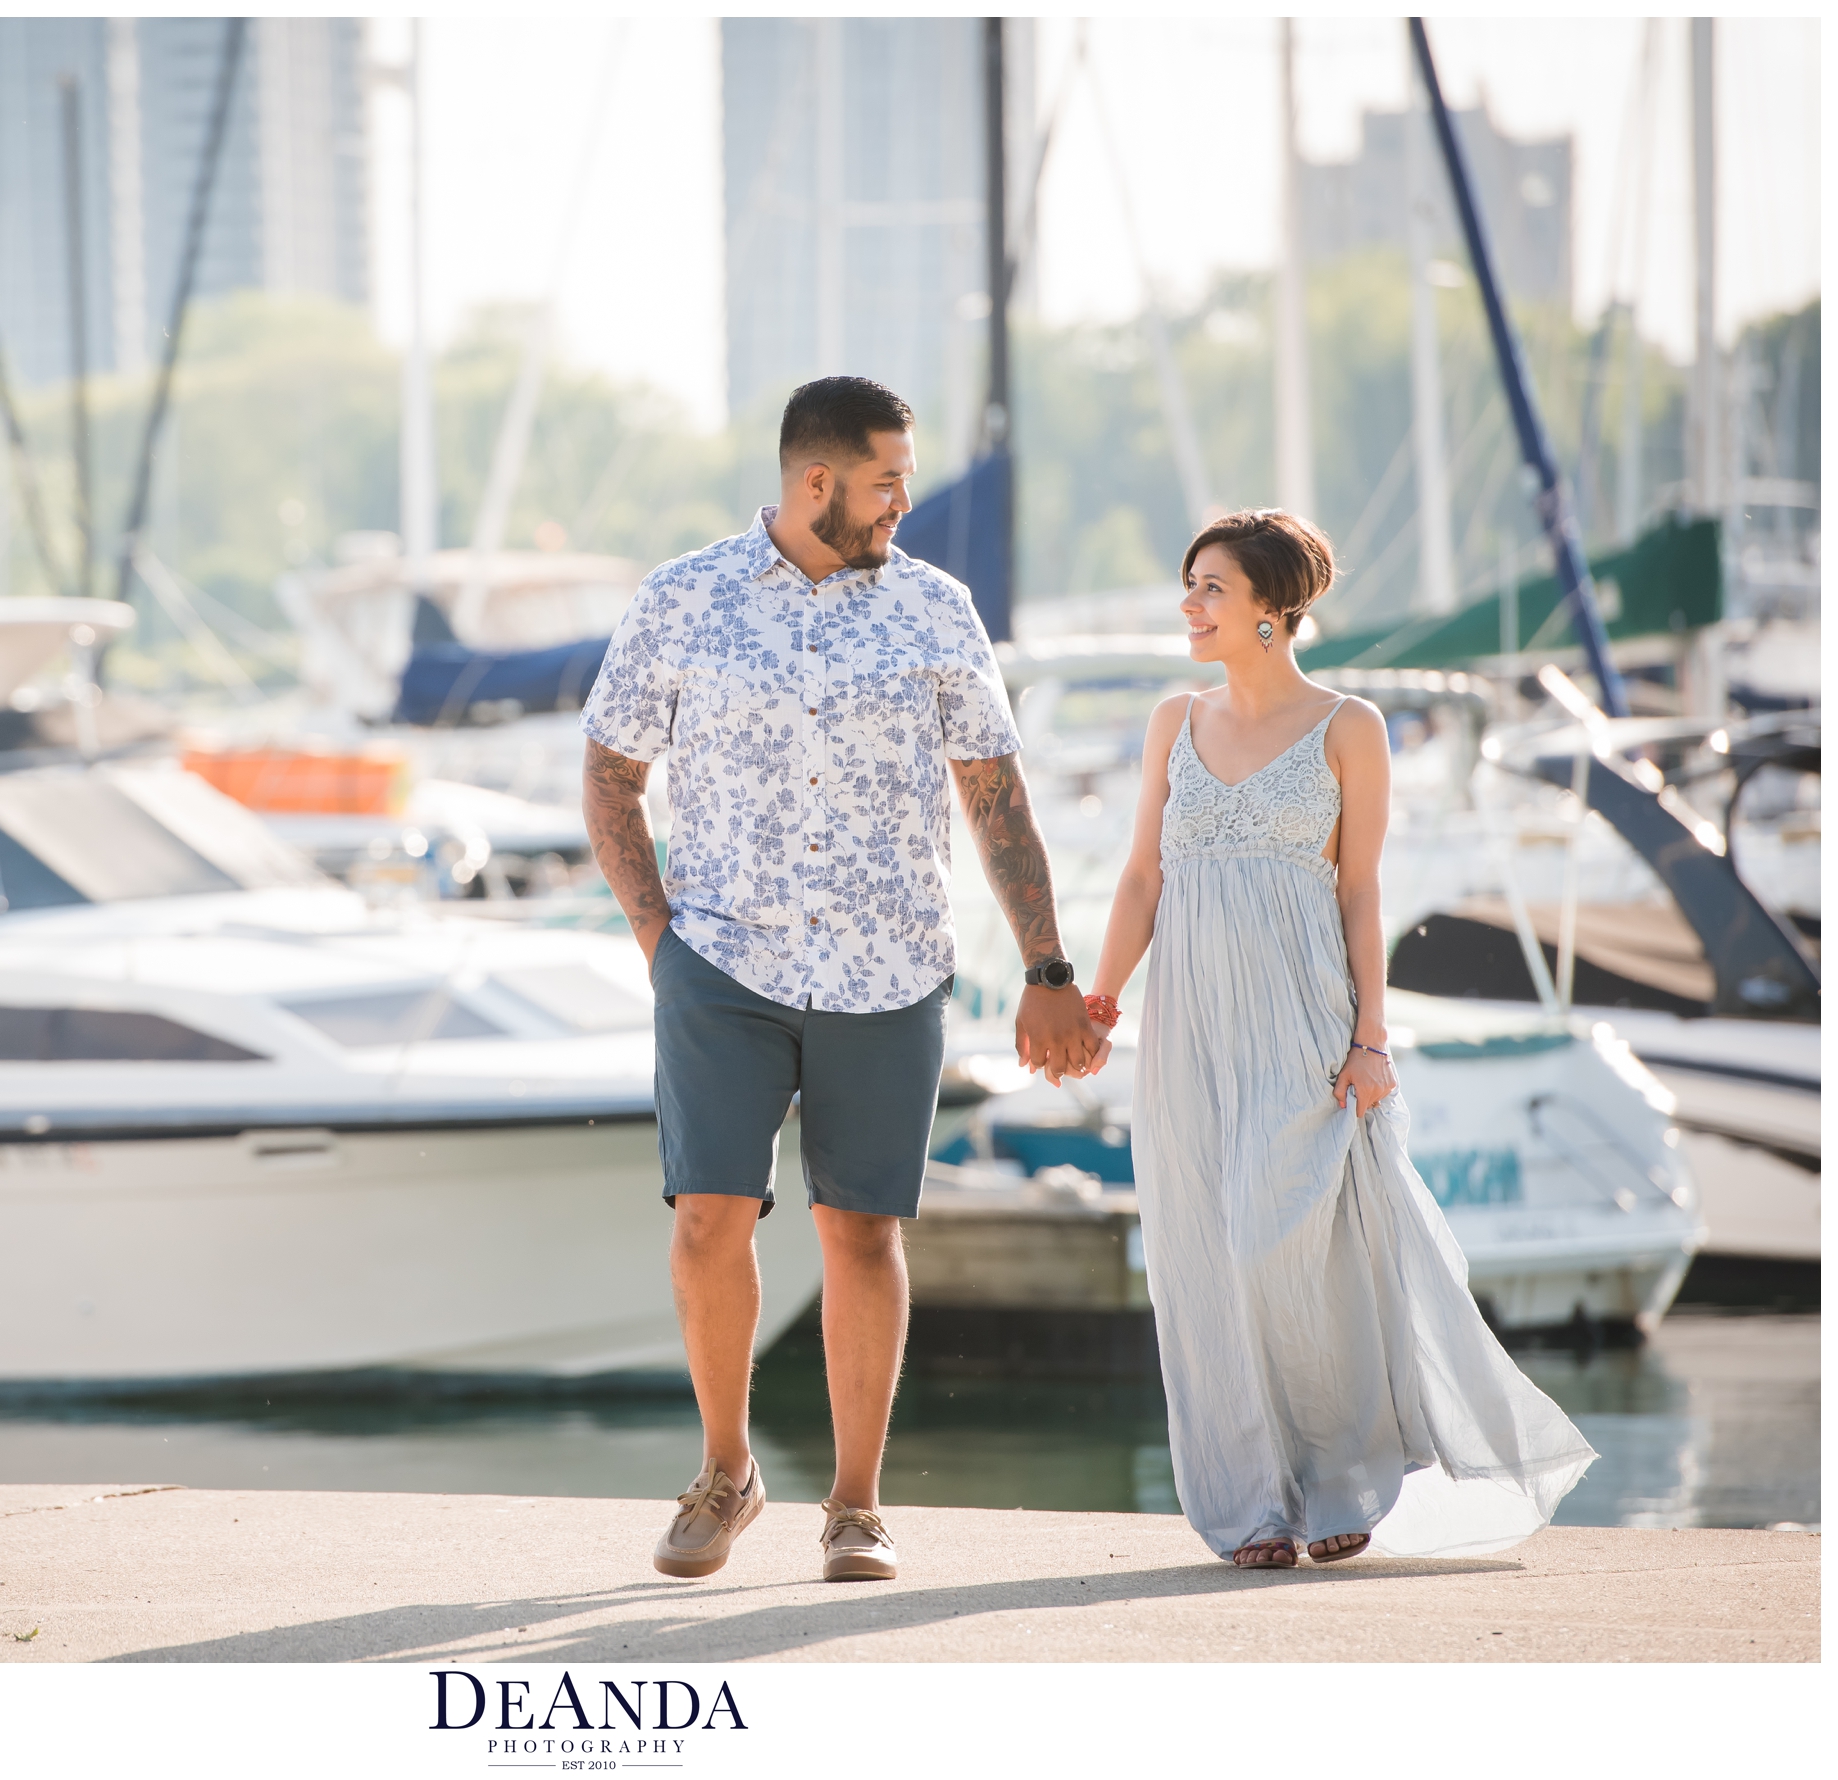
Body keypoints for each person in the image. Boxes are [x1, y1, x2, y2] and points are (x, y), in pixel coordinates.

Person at [579, 376, 1099, 1585]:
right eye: (884, 480)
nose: (902, 502)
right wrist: (660, 938)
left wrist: (1045, 966)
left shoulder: (934, 608)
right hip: (721, 959)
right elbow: (609, 774)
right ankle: (725, 1473)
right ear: (816, 481)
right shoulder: (684, 598)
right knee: (710, 1219)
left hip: (890, 963)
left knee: (859, 1232)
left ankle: (855, 1509)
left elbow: (993, 793)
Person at [1084, 509, 1595, 1568]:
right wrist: (1098, 1000)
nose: (1189, 604)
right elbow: (1142, 876)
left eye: (1210, 587)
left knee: (1289, 1247)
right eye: (1190, 584)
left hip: (1301, 1012)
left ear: (1273, 610)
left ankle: (1340, 1477)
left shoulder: (1346, 726)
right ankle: (1251, 1507)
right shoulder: (1172, 721)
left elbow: (1360, 890)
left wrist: (1372, 1035)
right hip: (1186, 1022)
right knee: (1205, 1256)